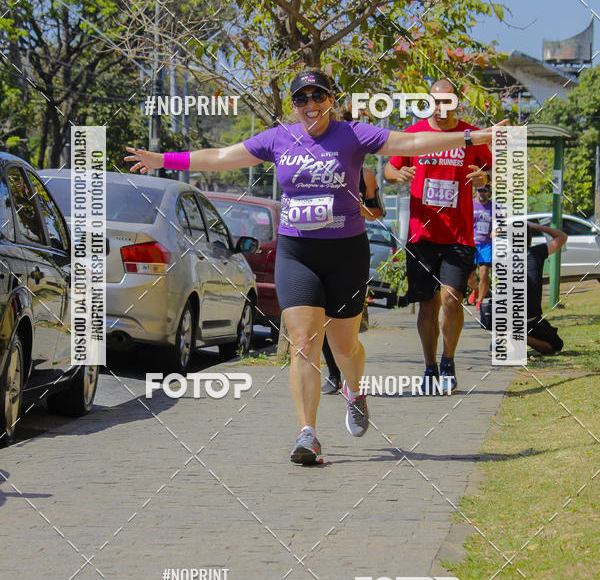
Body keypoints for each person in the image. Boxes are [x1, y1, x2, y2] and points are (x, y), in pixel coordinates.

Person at [126, 68, 503, 466]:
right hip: (297, 253)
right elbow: (222, 157)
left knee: (345, 347)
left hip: (345, 254)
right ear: (294, 105)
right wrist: (162, 159)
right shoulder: (279, 138)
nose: (310, 105)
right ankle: (307, 434)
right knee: (304, 343)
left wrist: (472, 137)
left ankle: (355, 390)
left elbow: (409, 141)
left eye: (318, 96)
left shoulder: (353, 134)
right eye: (301, 99)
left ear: (331, 100)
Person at [384, 78, 492, 394]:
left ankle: (448, 361)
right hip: (422, 235)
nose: (441, 107)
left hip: (459, 235)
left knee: (451, 298)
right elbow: (389, 170)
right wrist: (398, 174)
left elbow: (491, 171)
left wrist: (484, 177)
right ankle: (430, 367)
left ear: (456, 103)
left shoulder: (471, 136)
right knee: (427, 305)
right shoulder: (414, 134)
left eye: (447, 101)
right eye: (435, 101)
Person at [322, 164, 384, 394]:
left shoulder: (364, 175)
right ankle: (333, 374)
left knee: (344, 321)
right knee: (320, 315)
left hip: (350, 251)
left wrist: (359, 208)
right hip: (315, 247)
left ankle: (351, 376)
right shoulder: (314, 169)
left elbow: (377, 212)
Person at [527, 221, 567, 354]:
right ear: (530, 237)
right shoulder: (536, 253)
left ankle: (504, 335)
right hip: (529, 319)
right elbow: (562, 236)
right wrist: (535, 226)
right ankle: (519, 337)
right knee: (556, 345)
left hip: (504, 316)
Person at [467, 184, 493, 310]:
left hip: (487, 244)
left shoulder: (494, 207)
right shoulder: (470, 204)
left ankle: (480, 300)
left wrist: (496, 230)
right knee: (469, 274)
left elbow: (501, 222)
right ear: (476, 191)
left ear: (488, 192)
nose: (482, 193)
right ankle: (475, 289)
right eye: (479, 191)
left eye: (484, 191)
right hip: (471, 243)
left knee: (484, 273)